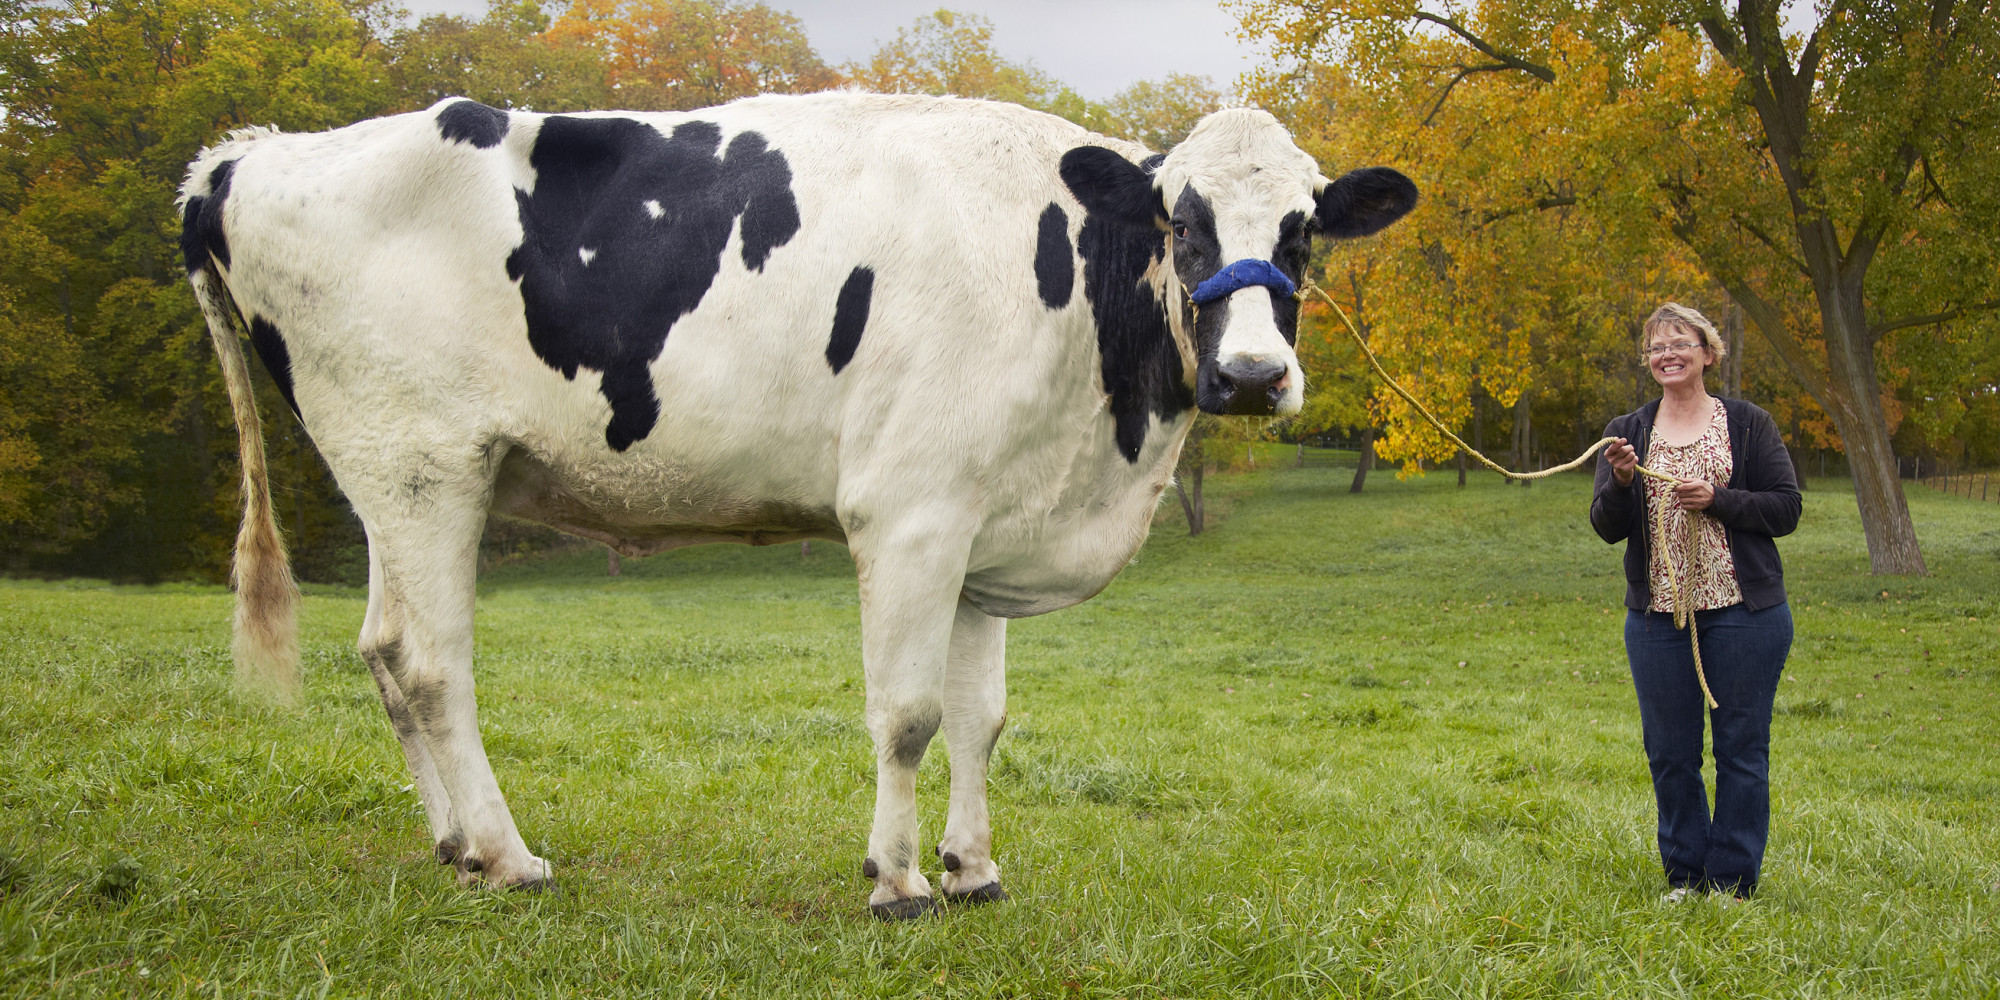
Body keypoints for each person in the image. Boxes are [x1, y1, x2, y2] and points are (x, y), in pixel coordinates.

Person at [1590, 303, 1802, 901]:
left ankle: (1733, 881)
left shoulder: (1748, 423)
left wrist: (1719, 498)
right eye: (1657, 347)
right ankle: (1685, 876)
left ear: (1708, 353)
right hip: (1658, 618)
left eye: (1680, 342)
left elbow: (1786, 508)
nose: (1668, 354)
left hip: (1744, 615)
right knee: (1670, 753)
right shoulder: (1626, 431)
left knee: (1740, 751)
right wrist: (1626, 483)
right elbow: (1606, 526)